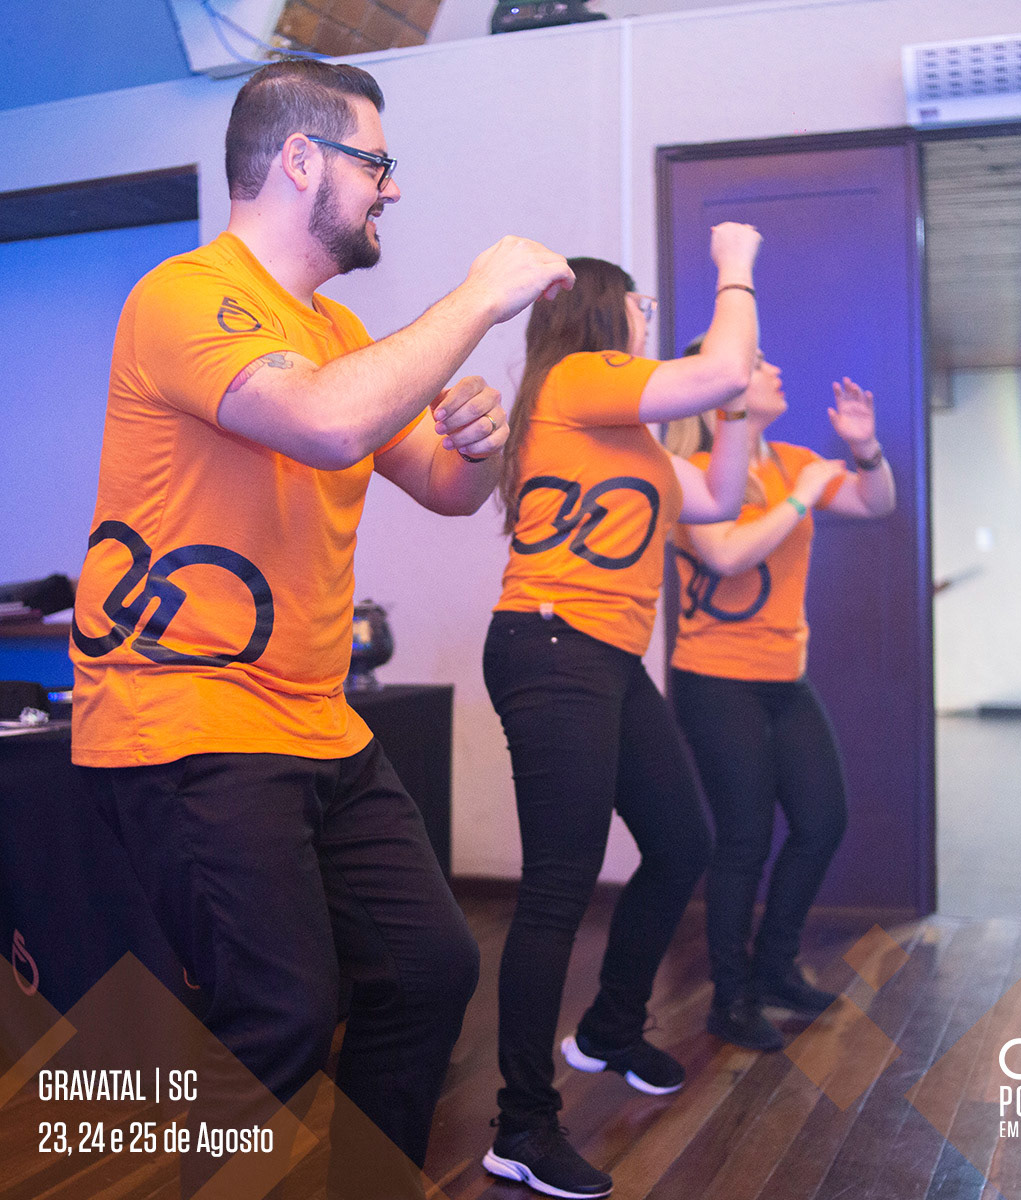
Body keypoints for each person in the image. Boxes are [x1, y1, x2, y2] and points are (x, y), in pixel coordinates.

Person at [68, 58, 573, 1192]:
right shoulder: (183, 294)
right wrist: (479, 294)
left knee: (429, 968)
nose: (391, 188)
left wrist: (479, 447)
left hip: (314, 721)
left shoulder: (338, 329)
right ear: (301, 160)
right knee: (283, 1012)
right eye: (375, 162)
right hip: (186, 716)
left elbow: (441, 486)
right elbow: (325, 423)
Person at [480, 225, 763, 1198]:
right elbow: (719, 366)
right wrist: (734, 265)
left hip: (603, 656)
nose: (649, 314)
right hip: (552, 645)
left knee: (683, 843)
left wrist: (738, 410)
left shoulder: (625, 433)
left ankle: (607, 1028)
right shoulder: (574, 380)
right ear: (604, 312)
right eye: (639, 302)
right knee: (559, 890)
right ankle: (522, 1125)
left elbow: (719, 497)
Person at [665, 348, 895, 1052]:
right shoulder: (693, 472)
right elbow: (726, 553)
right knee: (743, 839)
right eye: (757, 363)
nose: (773, 368)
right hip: (714, 678)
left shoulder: (795, 460)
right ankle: (730, 1000)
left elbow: (875, 501)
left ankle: (774, 968)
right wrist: (800, 498)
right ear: (719, 396)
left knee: (822, 821)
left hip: (783, 677)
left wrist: (865, 449)